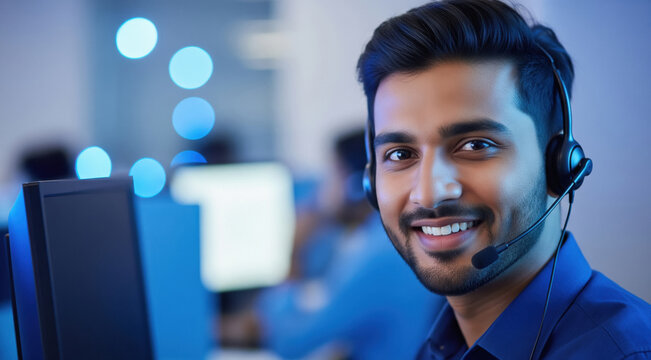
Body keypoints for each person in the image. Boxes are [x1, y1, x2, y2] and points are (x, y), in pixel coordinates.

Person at [356, 1, 651, 359]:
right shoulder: (440, 347)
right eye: (400, 154)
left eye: (476, 145)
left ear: (560, 164)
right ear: (371, 181)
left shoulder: (622, 353)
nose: (430, 193)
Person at [255, 129, 444, 359]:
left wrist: (295, 252)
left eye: (330, 175)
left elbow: (290, 343)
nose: (320, 190)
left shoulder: (381, 254)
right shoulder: (393, 238)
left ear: (355, 185)